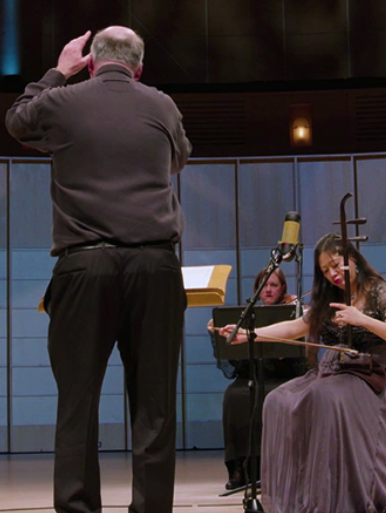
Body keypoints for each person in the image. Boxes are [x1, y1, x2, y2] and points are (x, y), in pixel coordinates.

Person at [6, 27, 192, 513]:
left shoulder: (62, 102)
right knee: (154, 405)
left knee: (77, 403)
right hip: (155, 266)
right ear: (139, 68)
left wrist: (57, 72)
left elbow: (17, 122)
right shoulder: (162, 104)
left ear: (89, 63)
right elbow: (179, 159)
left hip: (84, 265)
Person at [220, 233, 386, 513]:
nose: (332, 274)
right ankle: (300, 497)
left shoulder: (379, 290)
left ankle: (335, 497)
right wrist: (250, 333)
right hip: (333, 372)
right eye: (325, 270)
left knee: (322, 397)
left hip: (371, 375)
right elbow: (295, 327)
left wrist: (362, 319)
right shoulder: (329, 296)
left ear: (353, 258)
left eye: (336, 265)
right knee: (277, 400)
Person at [209, 268, 304, 490]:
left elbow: (299, 362)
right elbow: (236, 364)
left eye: (273, 285)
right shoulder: (248, 316)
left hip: (282, 375)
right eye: (264, 286)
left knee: (271, 395)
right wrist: (218, 336)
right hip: (252, 375)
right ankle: (240, 468)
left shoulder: (291, 314)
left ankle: (276, 468)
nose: (268, 290)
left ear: (282, 289)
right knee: (235, 396)